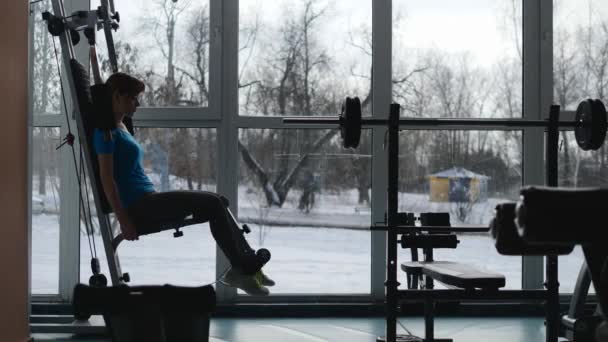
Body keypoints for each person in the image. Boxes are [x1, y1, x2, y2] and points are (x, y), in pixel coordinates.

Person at [92, 72, 274, 296]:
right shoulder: (105, 133)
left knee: (219, 201)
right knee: (213, 204)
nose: (138, 103)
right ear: (118, 96)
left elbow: (103, 88)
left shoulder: (121, 125)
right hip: (138, 207)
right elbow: (107, 180)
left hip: (148, 200)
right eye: (134, 98)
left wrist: (92, 52)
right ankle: (243, 270)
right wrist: (124, 220)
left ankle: (247, 268)